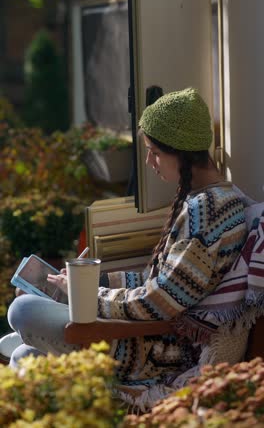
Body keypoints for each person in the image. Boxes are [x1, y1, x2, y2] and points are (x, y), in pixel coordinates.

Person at [3, 88, 247, 390]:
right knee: (25, 354)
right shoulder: (214, 201)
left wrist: (87, 298)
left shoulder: (210, 210)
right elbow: (160, 283)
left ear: (180, 152)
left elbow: (160, 302)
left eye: (155, 152)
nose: (148, 161)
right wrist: (96, 282)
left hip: (157, 349)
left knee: (21, 311)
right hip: (147, 332)